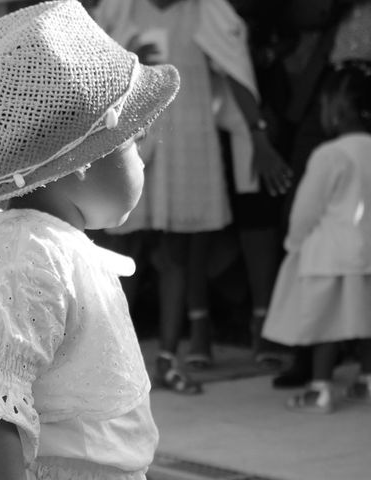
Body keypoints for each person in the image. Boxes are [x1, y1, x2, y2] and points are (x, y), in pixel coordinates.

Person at [0, 1, 180, 478]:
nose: (142, 157)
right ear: (85, 157)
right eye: (133, 141)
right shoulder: (34, 259)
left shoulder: (38, 245)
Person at [93, 0, 291, 394]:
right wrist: (126, 62)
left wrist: (257, 130)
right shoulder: (121, 8)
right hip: (133, 140)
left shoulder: (206, 9)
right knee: (120, 248)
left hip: (187, 143)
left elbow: (234, 67)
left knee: (175, 254)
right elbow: (95, 60)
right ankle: (109, 365)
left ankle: (167, 361)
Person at [262, 61, 371, 413]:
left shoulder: (329, 154)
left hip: (328, 256)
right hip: (366, 253)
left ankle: (320, 387)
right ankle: (368, 380)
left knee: (325, 324)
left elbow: (307, 208)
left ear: (337, 108)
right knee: (365, 318)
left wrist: (294, 243)